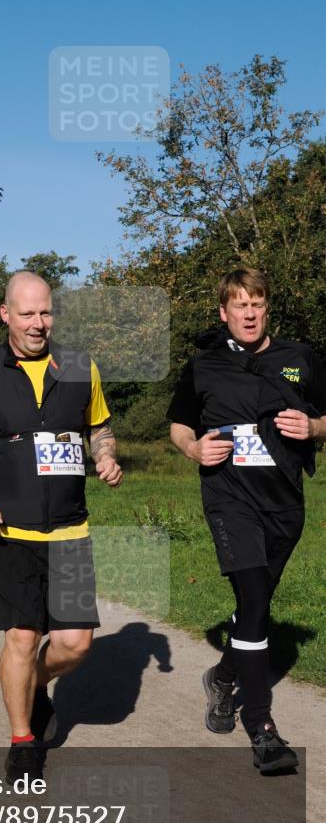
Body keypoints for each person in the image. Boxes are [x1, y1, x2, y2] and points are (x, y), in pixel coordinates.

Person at [0, 271, 122, 785]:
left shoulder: (80, 367)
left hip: (69, 528)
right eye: (28, 313)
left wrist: (105, 456)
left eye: (47, 312)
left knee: (76, 644)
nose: (39, 323)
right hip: (7, 532)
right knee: (22, 635)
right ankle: (23, 740)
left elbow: (99, 424)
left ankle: (32, 686)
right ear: (6, 314)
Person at [168, 268, 326, 774]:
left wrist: (315, 426)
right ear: (224, 312)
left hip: (285, 503)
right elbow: (178, 423)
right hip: (229, 499)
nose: (249, 312)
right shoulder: (204, 365)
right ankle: (262, 728)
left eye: (257, 302)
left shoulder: (300, 358)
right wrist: (193, 446)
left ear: (266, 308)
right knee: (254, 600)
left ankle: (222, 676)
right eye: (239, 304)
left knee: (254, 609)